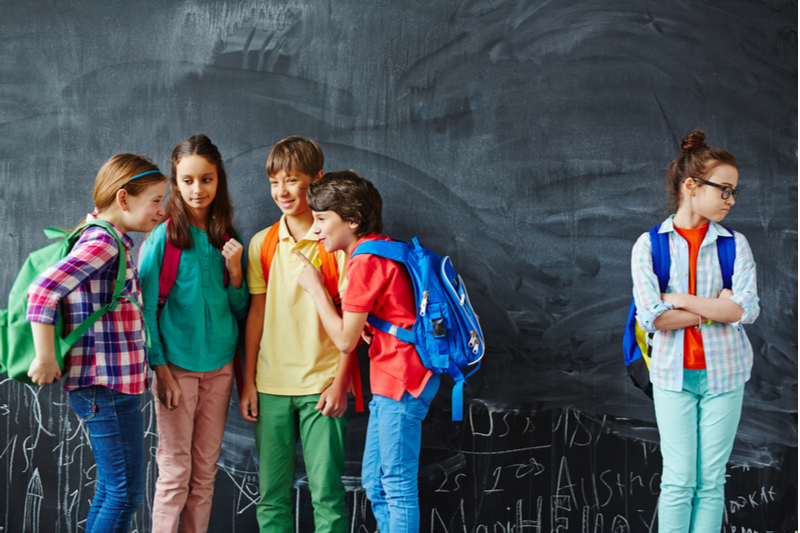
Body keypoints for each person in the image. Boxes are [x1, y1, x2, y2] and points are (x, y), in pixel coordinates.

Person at [27, 154, 167, 533]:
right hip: (105, 385)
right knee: (124, 494)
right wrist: (44, 355)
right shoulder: (104, 242)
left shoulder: (103, 238)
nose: (161, 210)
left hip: (105, 384)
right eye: (155, 200)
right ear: (124, 199)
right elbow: (41, 291)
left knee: (112, 490)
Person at [296, 170, 439, 533]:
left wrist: (314, 288)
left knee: (396, 485)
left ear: (353, 220)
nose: (315, 230)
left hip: (402, 381)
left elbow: (345, 340)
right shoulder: (381, 248)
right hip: (393, 380)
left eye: (322, 219)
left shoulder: (365, 262)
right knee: (376, 483)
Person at [630, 131, 759, 533]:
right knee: (679, 480)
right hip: (672, 376)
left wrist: (680, 298)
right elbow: (653, 318)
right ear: (691, 186)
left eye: (733, 191)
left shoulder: (734, 245)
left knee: (711, 481)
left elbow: (744, 310)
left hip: (726, 375)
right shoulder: (650, 246)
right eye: (724, 190)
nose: (730, 200)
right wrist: (713, 308)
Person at [238, 136, 350, 533]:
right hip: (271, 387)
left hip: (323, 387)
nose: (281, 192)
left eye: (292, 181)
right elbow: (256, 315)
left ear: (317, 180)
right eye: (274, 182)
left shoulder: (337, 246)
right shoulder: (262, 244)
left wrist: (341, 382)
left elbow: (353, 326)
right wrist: (248, 382)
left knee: (328, 496)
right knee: (272, 498)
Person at [138, 134, 248, 533]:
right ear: (175, 182)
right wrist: (161, 370)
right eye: (187, 180)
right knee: (174, 472)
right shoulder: (162, 239)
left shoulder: (228, 237)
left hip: (219, 367)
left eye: (206, 179)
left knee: (204, 474)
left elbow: (238, 312)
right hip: (176, 369)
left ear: (219, 181)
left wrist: (235, 272)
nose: (197, 189)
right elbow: (146, 311)